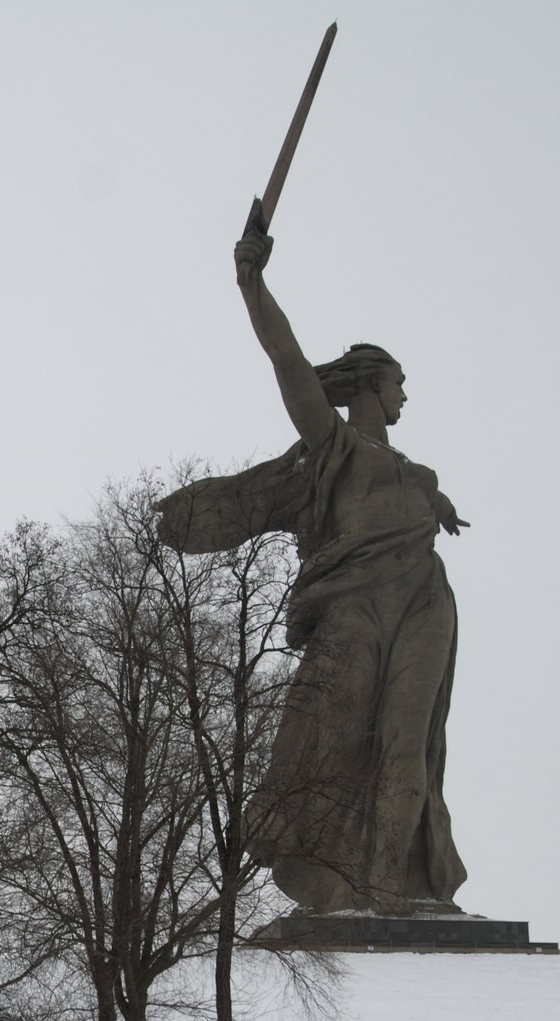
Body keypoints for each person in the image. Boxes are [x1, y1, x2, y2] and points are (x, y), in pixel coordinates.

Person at [155, 212, 471, 914]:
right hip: (355, 608)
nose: (405, 395)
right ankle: (350, 892)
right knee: (330, 742)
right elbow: (288, 361)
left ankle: (397, 889)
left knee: (410, 750)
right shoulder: (331, 445)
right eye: (399, 381)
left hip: (423, 602)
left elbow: (417, 493)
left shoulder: (412, 470)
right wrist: (252, 284)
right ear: (369, 385)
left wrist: (435, 503)